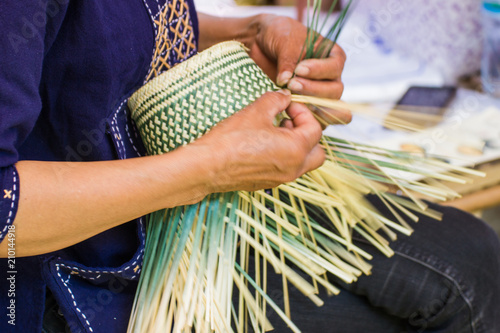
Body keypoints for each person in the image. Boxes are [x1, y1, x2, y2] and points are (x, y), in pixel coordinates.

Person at [0, 1, 498, 332]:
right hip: (61, 271)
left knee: (469, 256)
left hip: (166, 194)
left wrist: (241, 36)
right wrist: (207, 170)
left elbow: (99, 33)